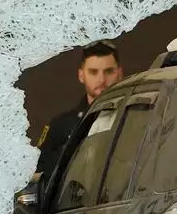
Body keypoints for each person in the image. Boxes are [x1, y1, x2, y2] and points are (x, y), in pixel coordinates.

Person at [34, 40, 123, 178]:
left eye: (109, 71)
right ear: (81, 75)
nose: (101, 79)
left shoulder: (136, 117)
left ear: (119, 73)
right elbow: (40, 175)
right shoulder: (60, 126)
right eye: (93, 72)